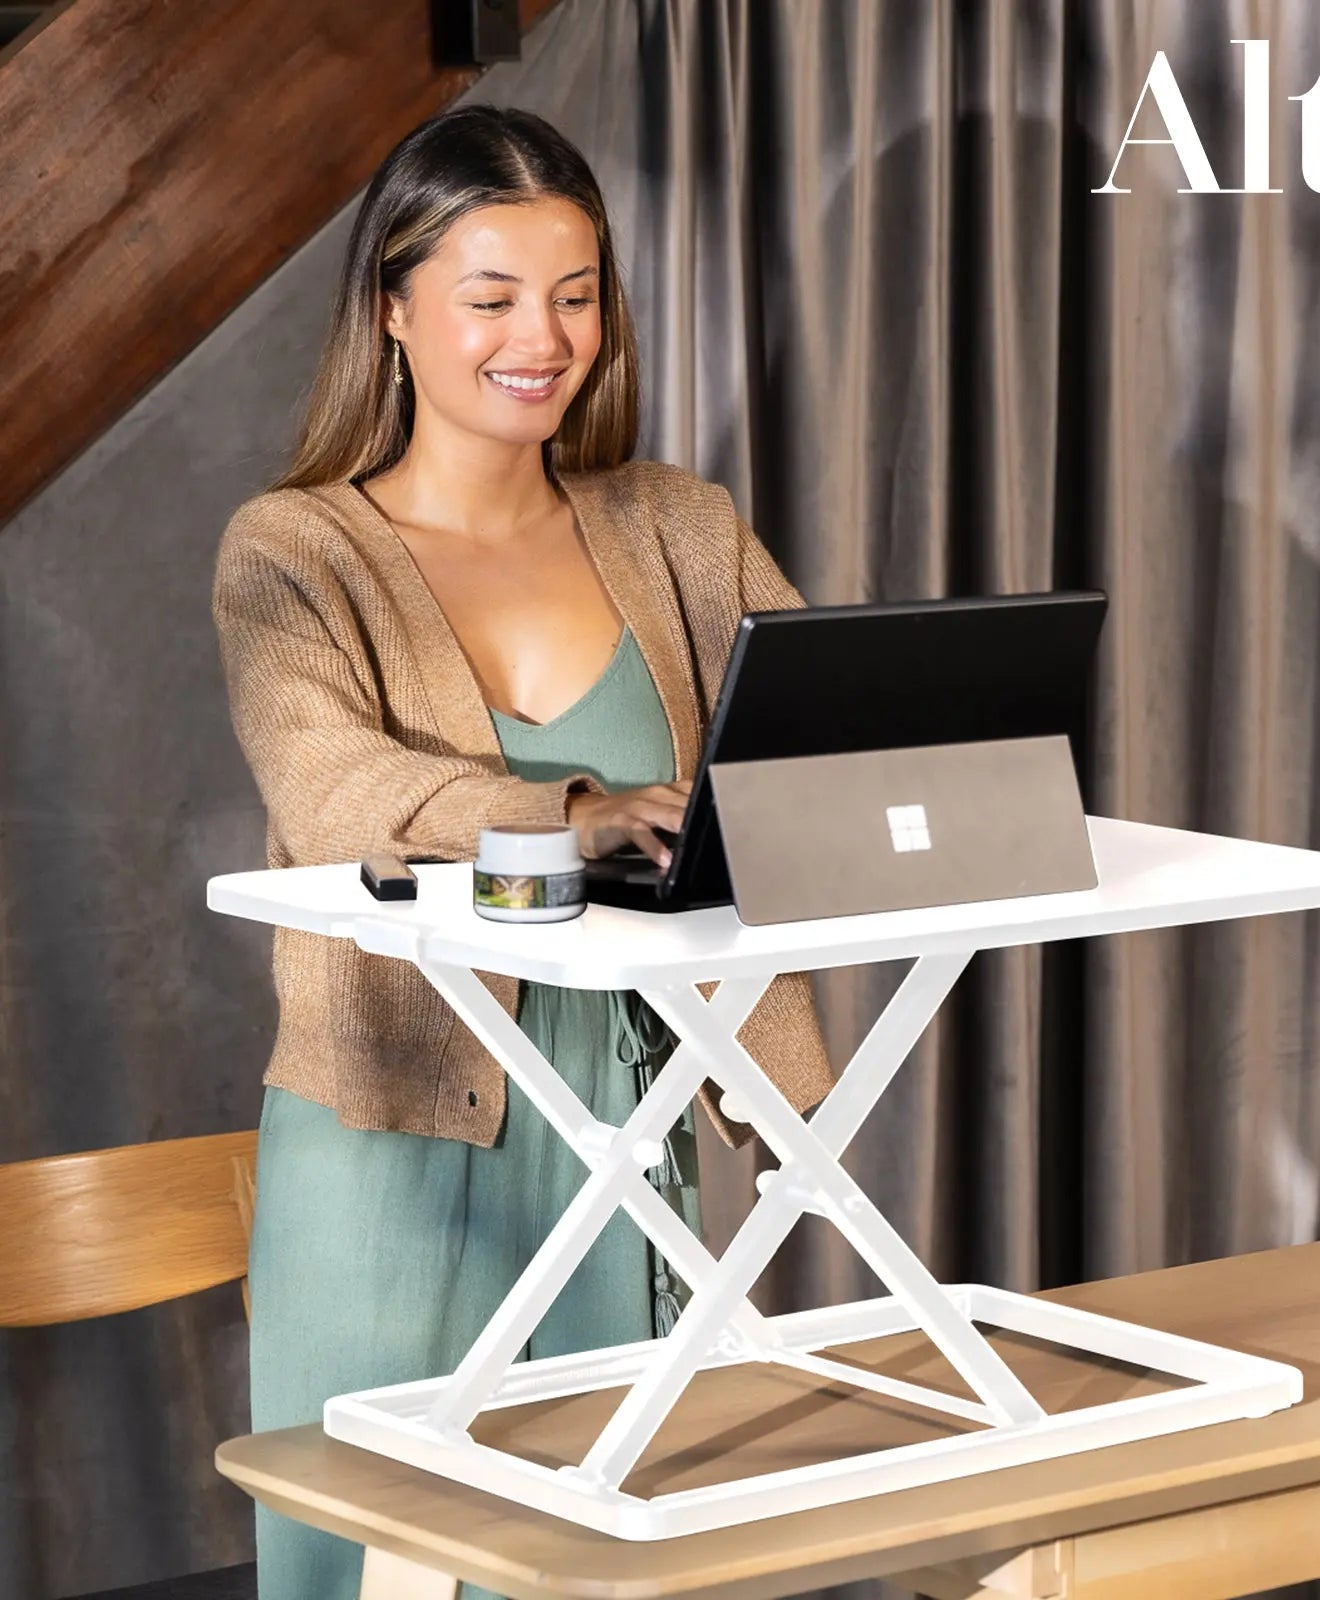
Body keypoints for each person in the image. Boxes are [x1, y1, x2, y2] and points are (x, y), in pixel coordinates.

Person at [211, 103, 833, 1600]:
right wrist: (565, 810)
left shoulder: (679, 528)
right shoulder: (297, 550)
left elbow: (820, 733)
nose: (541, 337)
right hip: (395, 1157)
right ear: (395, 310)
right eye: (491, 297)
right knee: (381, 1566)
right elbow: (328, 781)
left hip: (632, 1113)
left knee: (622, 1557)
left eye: (576, 293)